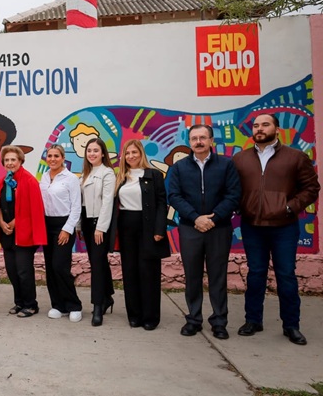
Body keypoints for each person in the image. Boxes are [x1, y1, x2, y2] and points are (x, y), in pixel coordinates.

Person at [233, 113, 320, 345]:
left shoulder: (295, 157)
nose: (259, 129)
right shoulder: (240, 159)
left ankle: (291, 325)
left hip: (284, 227)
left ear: (277, 129)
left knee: (286, 275)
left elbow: (311, 188)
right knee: (255, 274)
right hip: (252, 226)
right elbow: (233, 188)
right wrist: (241, 205)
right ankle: (253, 320)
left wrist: (290, 207)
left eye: (265, 124)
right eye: (256, 125)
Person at [168, 124, 241, 340]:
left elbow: (233, 195)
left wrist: (214, 218)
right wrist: (195, 218)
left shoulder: (226, 165)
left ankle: (219, 321)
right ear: (189, 142)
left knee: (218, 276)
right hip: (190, 228)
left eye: (202, 138)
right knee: (192, 276)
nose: (198, 142)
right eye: (194, 138)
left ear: (211, 140)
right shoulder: (179, 167)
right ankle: (194, 319)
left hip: (219, 228)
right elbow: (174, 196)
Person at [115, 140, 169, 330]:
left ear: (141, 154)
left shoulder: (153, 174)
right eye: (127, 153)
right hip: (126, 227)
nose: (131, 156)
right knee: (130, 271)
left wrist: (159, 229)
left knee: (148, 272)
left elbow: (162, 203)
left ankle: (150, 317)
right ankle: (134, 315)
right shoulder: (121, 176)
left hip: (148, 227)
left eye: (134, 152)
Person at [0, 145, 47, 318]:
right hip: (7, 234)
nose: (10, 163)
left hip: (24, 235)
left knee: (24, 271)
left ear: (20, 161)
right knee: (12, 271)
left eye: (13, 159)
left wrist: (15, 222)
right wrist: (1, 222)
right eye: (7, 160)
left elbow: (34, 209)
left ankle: (31, 304)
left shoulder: (29, 181)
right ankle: (19, 302)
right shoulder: (3, 181)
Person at [39, 144, 83, 322]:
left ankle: (74, 305)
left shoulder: (71, 179)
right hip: (46, 225)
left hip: (63, 225)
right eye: (50, 156)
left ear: (63, 158)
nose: (52, 159)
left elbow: (76, 207)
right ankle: (58, 305)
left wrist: (67, 229)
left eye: (56, 156)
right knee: (50, 267)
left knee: (60, 266)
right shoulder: (44, 177)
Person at [79, 137, 116, 326]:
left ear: (103, 153)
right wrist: (79, 226)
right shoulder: (85, 174)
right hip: (86, 222)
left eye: (95, 150)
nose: (92, 153)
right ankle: (107, 296)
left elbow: (108, 202)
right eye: (89, 150)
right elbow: (80, 203)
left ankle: (98, 305)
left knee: (97, 264)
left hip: (98, 223)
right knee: (98, 261)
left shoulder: (107, 173)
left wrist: (100, 227)